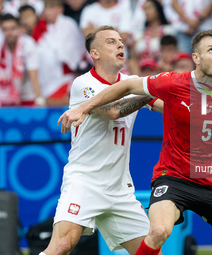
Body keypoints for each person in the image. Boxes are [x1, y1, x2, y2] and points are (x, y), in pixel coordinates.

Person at [58, 28, 212, 255]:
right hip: (166, 179)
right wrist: (83, 107)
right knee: (156, 232)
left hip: (203, 184)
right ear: (196, 58)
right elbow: (117, 104)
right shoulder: (168, 83)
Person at [39, 26, 163, 255]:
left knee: (151, 252)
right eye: (110, 42)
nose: (120, 45)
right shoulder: (83, 84)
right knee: (62, 246)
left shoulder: (133, 82)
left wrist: (195, 106)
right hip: (84, 182)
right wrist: (152, 89)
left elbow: (166, 106)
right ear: (94, 53)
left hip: (120, 189)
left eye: (120, 41)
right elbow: (114, 110)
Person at [36, 0, 84, 106]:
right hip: (46, 77)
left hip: (65, 76)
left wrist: (52, 50)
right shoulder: (41, 27)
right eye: (46, 8)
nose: (48, 12)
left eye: (51, 8)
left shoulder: (69, 24)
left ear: (60, 9)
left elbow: (73, 50)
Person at [0, 14, 44, 106]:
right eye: (5, 29)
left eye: (12, 28)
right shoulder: (1, 44)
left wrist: (39, 99)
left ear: (19, 28)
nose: (9, 32)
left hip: (27, 96)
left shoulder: (28, 43)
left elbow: (34, 75)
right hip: (5, 98)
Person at [129, 0, 175, 75]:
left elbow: (172, 55)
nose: (146, 12)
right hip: (142, 73)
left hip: (161, 71)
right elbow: (133, 59)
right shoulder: (139, 34)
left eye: (149, 8)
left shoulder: (167, 31)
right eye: (144, 9)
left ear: (157, 9)